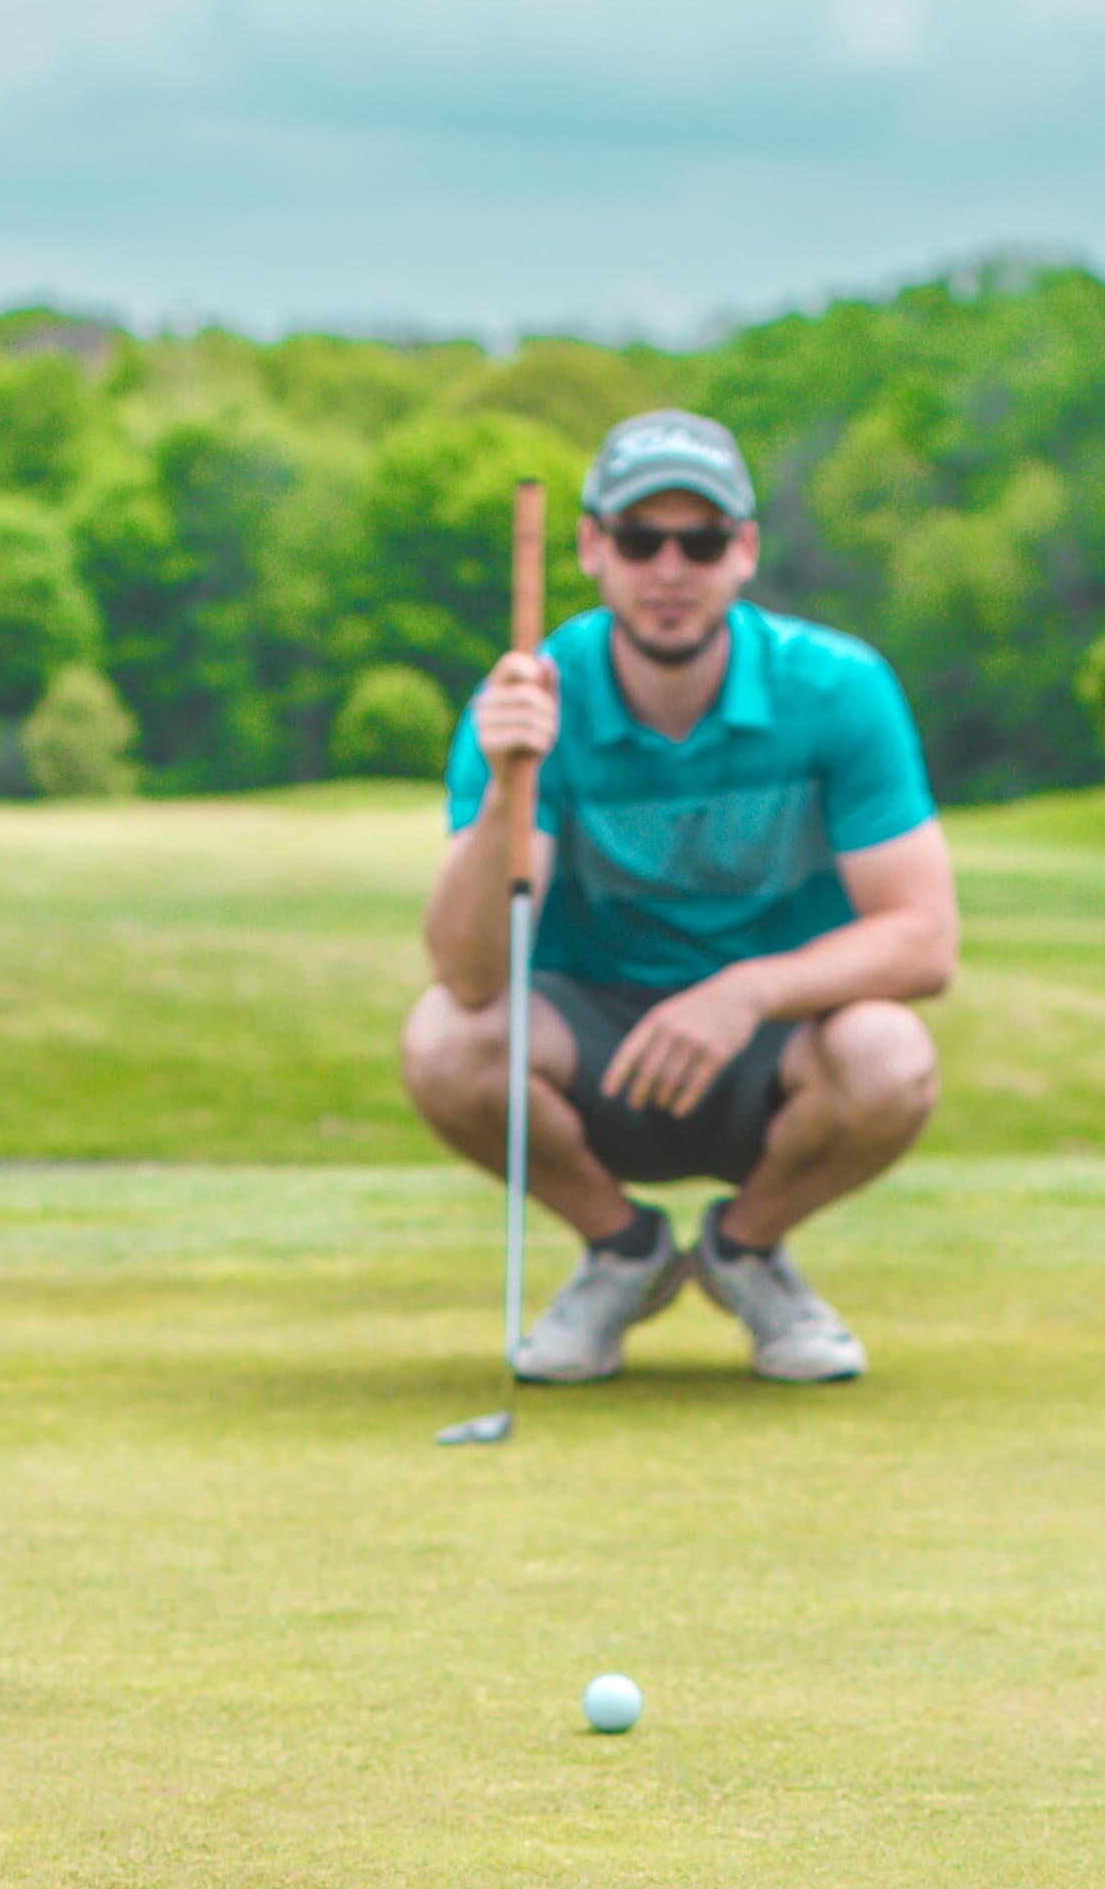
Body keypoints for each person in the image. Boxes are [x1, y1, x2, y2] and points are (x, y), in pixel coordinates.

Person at [401, 408, 957, 1388]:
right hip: (593, 1036)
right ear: (590, 549)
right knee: (445, 1040)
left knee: (891, 1053)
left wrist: (745, 991)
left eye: (699, 540)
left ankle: (746, 1253)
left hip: (776, 1045)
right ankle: (625, 1254)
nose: (669, 568)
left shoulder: (836, 688)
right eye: (638, 538)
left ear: (743, 552)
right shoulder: (530, 697)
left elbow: (924, 943)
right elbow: (469, 968)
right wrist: (507, 786)